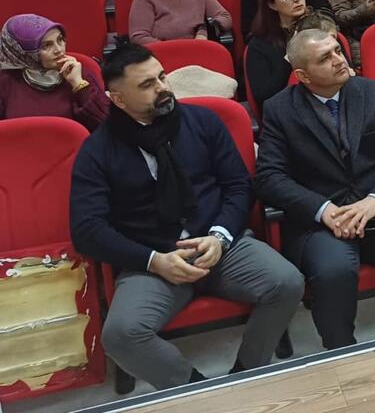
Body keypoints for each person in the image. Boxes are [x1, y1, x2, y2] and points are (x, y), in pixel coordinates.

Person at [70, 44, 304, 390]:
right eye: (147, 84)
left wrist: (220, 236)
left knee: (287, 282)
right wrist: (153, 260)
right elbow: (87, 229)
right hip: (152, 258)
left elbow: (239, 186)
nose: (162, 87)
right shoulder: (98, 150)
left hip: (218, 243)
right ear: (118, 99)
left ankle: (246, 375)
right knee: (120, 335)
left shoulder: (202, 122)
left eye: (162, 76)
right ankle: (197, 391)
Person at [254, 29, 375, 349]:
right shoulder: (279, 109)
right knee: (334, 271)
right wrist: (323, 210)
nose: (339, 60)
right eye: (325, 58)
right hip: (324, 220)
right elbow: (269, 176)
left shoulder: (374, 92)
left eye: (338, 51)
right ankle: (342, 351)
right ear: (302, 75)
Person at [245, 0, 336, 112]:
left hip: (331, 103)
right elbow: (264, 96)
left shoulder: (321, 27)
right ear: (272, 4)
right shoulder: (259, 45)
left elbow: (345, 71)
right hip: (289, 112)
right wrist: (292, 54)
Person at [0, 14, 109, 132]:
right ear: (22, 52)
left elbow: (109, 126)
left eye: (60, 39)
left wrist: (79, 84)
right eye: (46, 45)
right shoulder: (5, 82)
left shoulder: (78, 73)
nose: (59, 49)